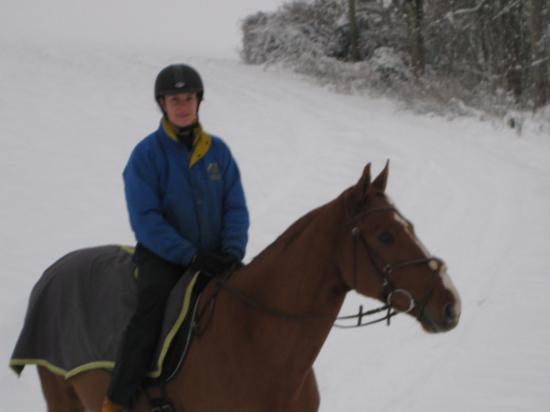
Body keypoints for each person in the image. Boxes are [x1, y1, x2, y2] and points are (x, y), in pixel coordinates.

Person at [102, 64, 250, 412]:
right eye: (174, 99)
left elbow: (235, 206)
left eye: (188, 98)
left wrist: (231, 250)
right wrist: (188, 255)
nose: (182, 105)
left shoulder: (218, 152)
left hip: (216, 254)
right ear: (162, 104)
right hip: (163, 256)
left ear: (199, 101)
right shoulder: (146, 155)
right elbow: (145, 219)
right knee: (151, 312)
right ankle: (120, 399)